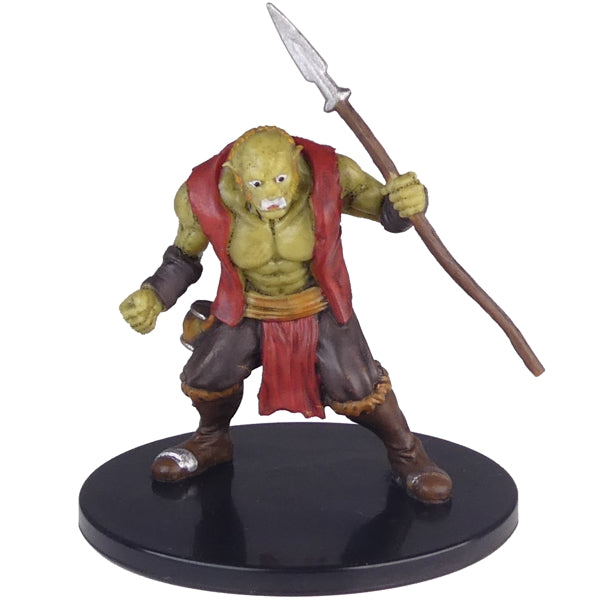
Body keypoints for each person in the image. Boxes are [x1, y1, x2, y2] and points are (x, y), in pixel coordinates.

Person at [119, 126, 452, 504]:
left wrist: (406, 202)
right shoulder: (202, 193)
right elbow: (183, 256)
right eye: (257, 184)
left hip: (319, 305)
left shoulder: (332, 174)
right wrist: (153, 296)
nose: (272, 195)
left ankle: (408, 454)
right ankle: (211, 440)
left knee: (356, 386)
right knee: (208, 375)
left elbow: (386, 211)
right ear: (235, 176)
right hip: (248, 308)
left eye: (280, 180)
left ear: (296, 165)